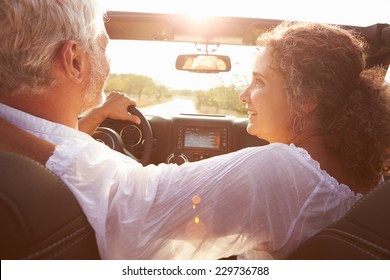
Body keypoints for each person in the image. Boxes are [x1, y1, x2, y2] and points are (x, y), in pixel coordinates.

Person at [0, 0, 389, 260]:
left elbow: (135, 207)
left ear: (305, 98)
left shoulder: (287, 171)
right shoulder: (344, 172)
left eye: (259, 81)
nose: (243, 94)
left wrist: (9, 131)